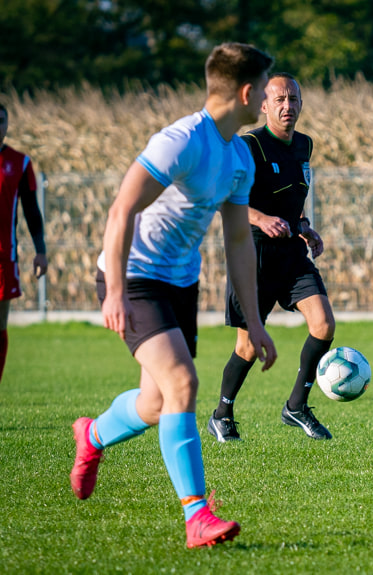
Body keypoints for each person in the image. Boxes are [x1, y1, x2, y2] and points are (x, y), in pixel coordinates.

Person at [69, 42, 278, 549]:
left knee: (157, 402)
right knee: (183, 381)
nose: (270, 100)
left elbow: (236, 243)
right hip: (135, 277)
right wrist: (114, 292)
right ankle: (197, 516)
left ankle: (92, 436)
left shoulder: (237, 157)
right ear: (249, 93)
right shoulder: (180, 141)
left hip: (179, 283)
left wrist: (254, 321)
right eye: (267, 90)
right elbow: (121, 211)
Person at [207, 72, 335, 443]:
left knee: (323, 324)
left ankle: (296, 406)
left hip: (291, 252)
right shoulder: (249, 146)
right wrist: (261, 219)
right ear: (263, 106)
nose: (287, 106)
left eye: (293, 99)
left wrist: (304, 226)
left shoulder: (304, 146)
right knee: (247, 346)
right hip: (254, 255)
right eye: (279, 99)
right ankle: (222, 414)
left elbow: (292, 200)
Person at [0, 103, 48, 383]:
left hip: (5, 259)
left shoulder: (20, 163)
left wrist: (41, 251)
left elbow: (31, 210)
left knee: (0, 327)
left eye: (2, 119)